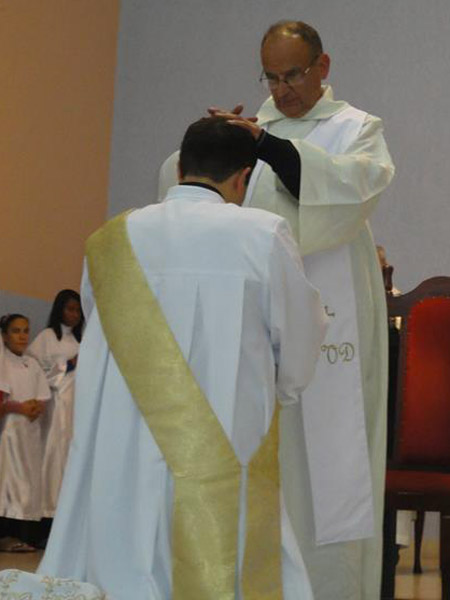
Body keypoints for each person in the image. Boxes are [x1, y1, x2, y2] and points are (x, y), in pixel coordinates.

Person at [38, 117, 327, 599]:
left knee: (120, 532)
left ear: (179, 170)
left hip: (121, 430)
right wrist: (286, 386)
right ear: (243, 178)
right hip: (223, 425)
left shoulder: (108, 239)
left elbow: (98, 323)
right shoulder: (262, 233)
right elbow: (298, 331)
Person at [159, 20, 395, 600]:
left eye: (292, 75)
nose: (281, 89)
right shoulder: (250, 132)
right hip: (251, 328)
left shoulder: (355, 128)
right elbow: (187, 188)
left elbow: (349, 195)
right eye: (271, 77)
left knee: (325, 475)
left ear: (323, 66)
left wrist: (267, 148)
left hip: (332, 328)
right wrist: (215, 143)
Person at [27, 290, 84, 522]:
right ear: (60, 309)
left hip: (75, 405)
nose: (74, 314)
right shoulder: (47, 337)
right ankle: (46, 511)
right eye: (70, 309)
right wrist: (67, 365)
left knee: (70, 454)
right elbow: (34, 368)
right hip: (56, 402)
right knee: (52, 454)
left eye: (78, 310)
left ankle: (65, 511)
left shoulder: (81, 340)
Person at [0, 314, 50, 552]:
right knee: (9, 482)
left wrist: (36, 407)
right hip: (9, 431)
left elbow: (43, 395)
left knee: (28, 483)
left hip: (30, 432)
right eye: (16, 331)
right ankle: (5, 535)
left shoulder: (32, 364)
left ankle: (24, 535)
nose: (22, 336)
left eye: (25, 331)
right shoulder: (3, 363)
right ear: (4, 336)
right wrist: (19, 407)